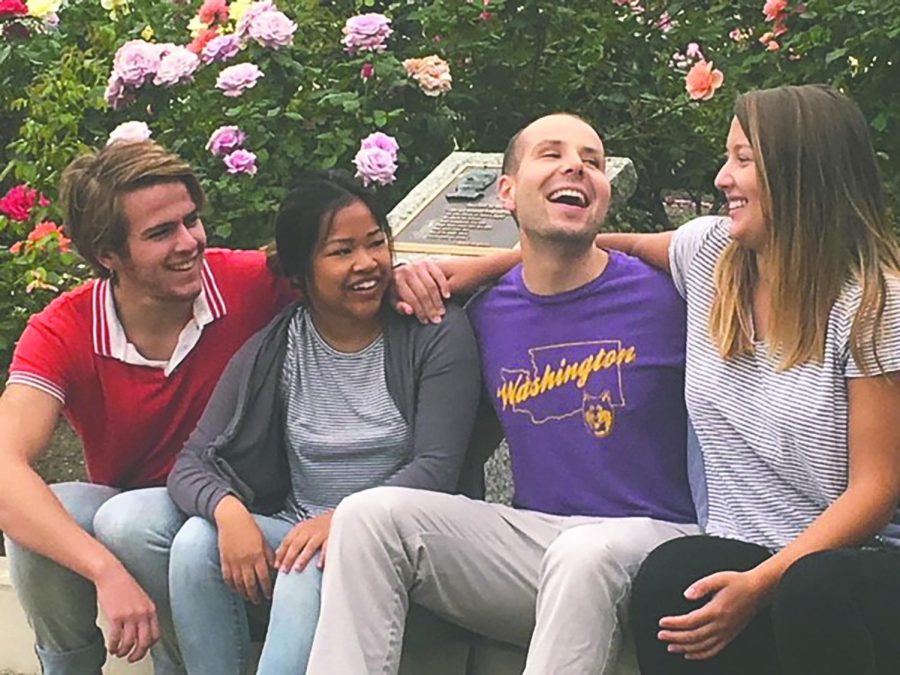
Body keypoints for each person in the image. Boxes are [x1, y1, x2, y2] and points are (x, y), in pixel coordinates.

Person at [305, 113, 700, 675]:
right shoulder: (488, 313)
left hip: (662, 541)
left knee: (583, 554)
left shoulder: (667, 295)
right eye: (552, 154)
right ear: (506, 192)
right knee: (369, 515)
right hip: (539, 546)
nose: (575, 166)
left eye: (592, 160)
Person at [608, 85, 900, 674]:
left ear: (800, 171)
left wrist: (763, 581)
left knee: (813, 586)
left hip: (856, 562)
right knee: (674, 577)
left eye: (743, 159)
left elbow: (877, 489)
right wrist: (460, 273)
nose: (722, 177)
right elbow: (593, 251)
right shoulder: (711, 254)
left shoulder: (874, 301)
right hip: (747, 547)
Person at [164, 169, 481, 675]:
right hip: (301, 532)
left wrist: (344, 520)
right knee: (195, 544)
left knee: (303, 569)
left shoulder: (434, 334)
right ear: (299, 272)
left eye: (376, 243)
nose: (367, 264)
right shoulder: (280, 346)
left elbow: (437, 468)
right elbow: (190, 463)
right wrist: (230, 514)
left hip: (403, 548)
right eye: (341, 251)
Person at [0, 140, 295, 674]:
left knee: (130, 520)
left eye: (191, 221)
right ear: (107, 255)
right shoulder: (65, 328)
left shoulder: (248, 283)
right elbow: (4, 468)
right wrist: (103, 571)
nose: (189, 243)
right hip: (135, 532)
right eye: (161, 233)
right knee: (56, 518)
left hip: (245, 524)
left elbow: (354, 270)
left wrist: (438, 273)